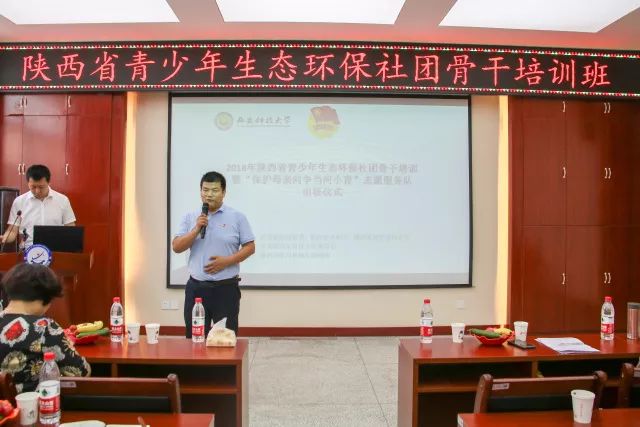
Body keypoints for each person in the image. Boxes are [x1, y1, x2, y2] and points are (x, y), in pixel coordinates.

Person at [172, 171, 255, 338]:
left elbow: (250, 247)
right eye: (205, 190)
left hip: (226, 289)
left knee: (225, 340)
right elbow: (177, 247)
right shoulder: (190, 217)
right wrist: (196, 229)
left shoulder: (237, 217)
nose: (209, 194)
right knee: (194, 339)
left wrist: (227, 261)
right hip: (197, 289)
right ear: (200, 191)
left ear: (224, 192)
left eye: (215, 190)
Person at [0, 263, 91, 393]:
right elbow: (81, 372)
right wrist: (67, 344)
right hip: (31, 403)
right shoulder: (43, 326)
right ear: (45, 297)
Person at [0, 164, 76, 248]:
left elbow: (70, 228)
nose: (37, 191)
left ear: (48, 182)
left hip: (55, 249)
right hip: (28, 250)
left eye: (41, 187)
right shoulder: (19, 201)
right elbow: (13, 231)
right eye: (33, 187)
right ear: (28, 183)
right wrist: (4, 238)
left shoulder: (62, 200)